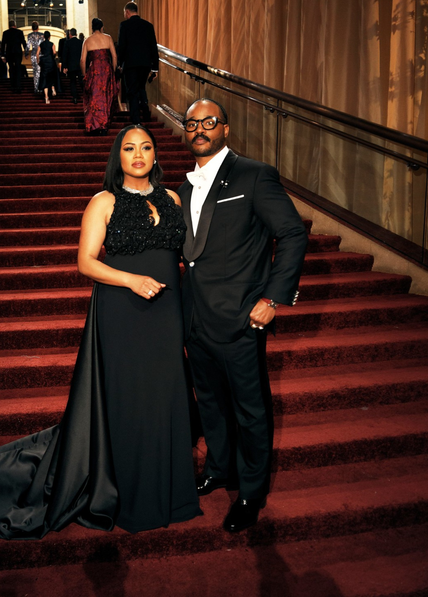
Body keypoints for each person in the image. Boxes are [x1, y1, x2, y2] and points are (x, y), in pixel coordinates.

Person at [0, 125, 202, 539]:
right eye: (129, 148)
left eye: (146, 147)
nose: (138, 154)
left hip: (166, 313)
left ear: (155, 155)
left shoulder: (174, 199)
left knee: (166, 393)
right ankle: (132, 495)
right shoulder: (103, 201)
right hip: (122, 311)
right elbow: (86, 262)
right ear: (118, 157)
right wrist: (131, 280)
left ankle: (173, 492)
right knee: (129, 398)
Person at [178, 98, 308, 533]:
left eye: (209, 122)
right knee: (211, 403)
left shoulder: (254, 175)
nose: (199, 129)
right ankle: (219, 469)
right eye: (192, 123)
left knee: (250, 411)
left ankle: (251, 491)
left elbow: (291, 233)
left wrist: (272, 298)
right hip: (195, 319)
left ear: (226, 129)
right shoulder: (183, 188)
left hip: (240, 318)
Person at [117, 2, 159, 125]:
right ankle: (146, 114)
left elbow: (122, 46)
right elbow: (153, 47)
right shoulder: (148, 26)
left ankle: (136, 120)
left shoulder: (124, 25)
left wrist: (119, 63)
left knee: (132, 91)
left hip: (130, 64)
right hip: (145, 64)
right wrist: (155, 68)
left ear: (127, 12)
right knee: (141, 87)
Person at [81, 18, 117, 135]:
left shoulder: (87, 41)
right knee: (106, 97)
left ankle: (93, 125)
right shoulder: (108, 38)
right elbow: (114, 56)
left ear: (92, 28)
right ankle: (104, 124)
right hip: (106, 70)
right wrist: (113, 70)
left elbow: (82, 60)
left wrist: (84, 74)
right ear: (102, 27)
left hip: (94, 70)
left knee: (94, 97)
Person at [1, 20, 26, 93]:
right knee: (18, 68)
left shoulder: (5, 33)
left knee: (11, 68)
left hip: (9, 53)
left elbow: (3, 45)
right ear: (15, 25)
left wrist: (3, 55)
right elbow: (23, 42)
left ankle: (12, 85)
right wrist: (26, 51)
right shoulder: (19, 32)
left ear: (9, 26)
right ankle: (18, 86)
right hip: (18, 53)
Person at [62, 28, 84, 105]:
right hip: (79, 65)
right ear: (76, 34)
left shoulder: (67, 43)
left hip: (71, 65)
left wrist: (65, 66)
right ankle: (85, 96)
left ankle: (75, 98)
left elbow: (65, 55)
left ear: (70, 34)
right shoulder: (81, 42)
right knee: (81, 81)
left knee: (73, 82)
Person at [37, 31, 59, 104]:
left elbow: (37, 54)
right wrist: (52, 57)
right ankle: (53, 88)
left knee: (44, 79)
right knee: (52, 76)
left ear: (44, 37)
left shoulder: (41, 44)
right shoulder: (52, 44)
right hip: (50, 61)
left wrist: (38, 61)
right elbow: (54, 52)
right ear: (49, 37)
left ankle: (46, 97)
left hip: (44, 62)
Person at [26, 21, 44, 94]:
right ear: (38, 27)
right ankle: (41, 87)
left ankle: (36, 88)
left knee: (35, 71)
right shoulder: (42, 35)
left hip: (33, 54)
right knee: (40, 71)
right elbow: (43, 45)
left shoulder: (30, 35)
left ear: (32, 28)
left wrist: (26, 53)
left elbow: (28, 45)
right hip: (40, 54)